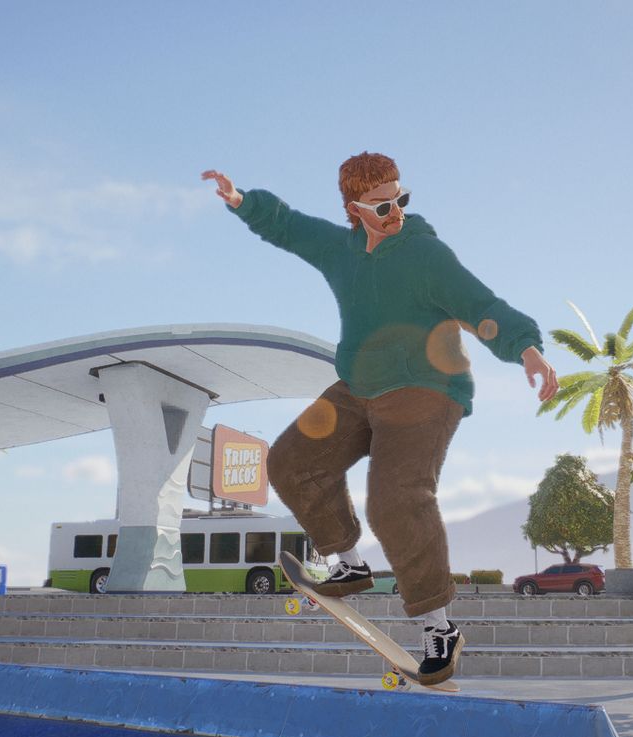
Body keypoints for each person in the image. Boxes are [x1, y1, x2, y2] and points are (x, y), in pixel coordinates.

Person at [202, 153, 558, 684]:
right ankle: (348, 562)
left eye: (401, 199)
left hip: (427, 390)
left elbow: (479, 302)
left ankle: (439, 627)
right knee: (290, 461)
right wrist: (240, 202)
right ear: (355, 209)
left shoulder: (425, 254)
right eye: (383, 205)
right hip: (358, 388)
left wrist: (525, 347)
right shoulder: (340, 251)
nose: (396, 212)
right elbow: (289, 227)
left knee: (396, 498)